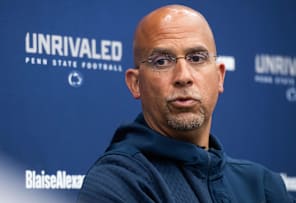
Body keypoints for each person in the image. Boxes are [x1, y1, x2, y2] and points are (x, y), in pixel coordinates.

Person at [77, 4, 295, 203]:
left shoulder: (262, 186)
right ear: (136, 84)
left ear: (219, 77)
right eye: (162, 61)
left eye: (197, 58)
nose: (183, 76)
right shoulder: (116, 182)